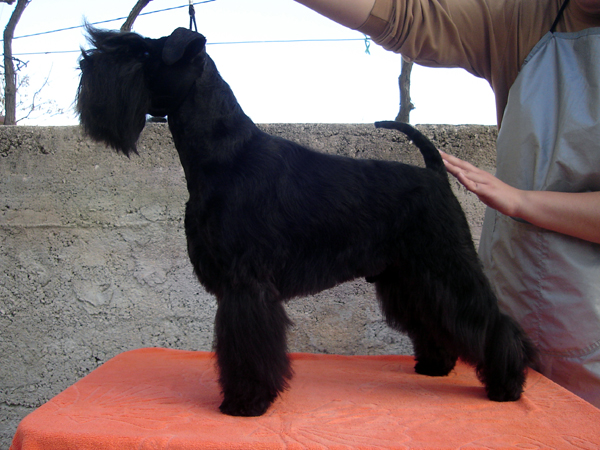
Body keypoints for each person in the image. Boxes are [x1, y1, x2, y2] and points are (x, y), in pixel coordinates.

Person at [294, 0, 600, 407]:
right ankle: (463, 349)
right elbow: (407, 16)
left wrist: (520, 201)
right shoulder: (529, 16)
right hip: (516, 280)